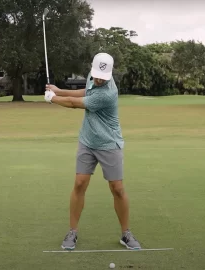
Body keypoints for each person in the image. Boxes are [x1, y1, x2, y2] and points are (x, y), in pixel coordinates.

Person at [44, 52, 141, 250]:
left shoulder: (108, 93)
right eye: (96, 75)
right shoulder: (93, 77)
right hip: (87, 140)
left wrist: (53, 99)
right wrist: (59, 90)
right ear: (92, 69)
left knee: (117, 189)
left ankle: (126, 233)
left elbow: (75, 104)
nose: (98, 80)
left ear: (110, 74)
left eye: (102, 78)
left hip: (109, 143)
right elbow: (85, 92)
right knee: (79, 184)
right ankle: (72, 232)